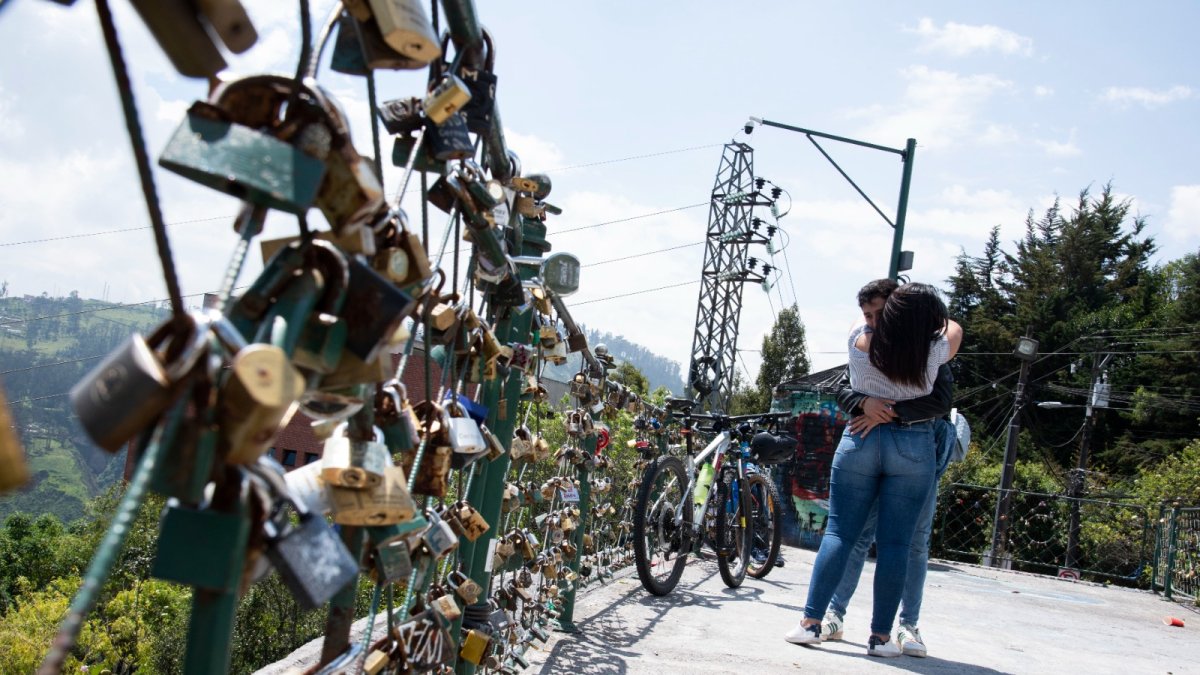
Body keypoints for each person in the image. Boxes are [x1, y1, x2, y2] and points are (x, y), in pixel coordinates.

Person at [785, 282, 962, 658]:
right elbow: (953, 330)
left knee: (839, 533)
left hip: (860, 440)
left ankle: (810, 623)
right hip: (911, 445)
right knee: (898, 544)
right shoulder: (930, 350)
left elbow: (845, 378)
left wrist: (870, 406)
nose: (873, 320)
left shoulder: (858, 340)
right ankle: (881, 638)